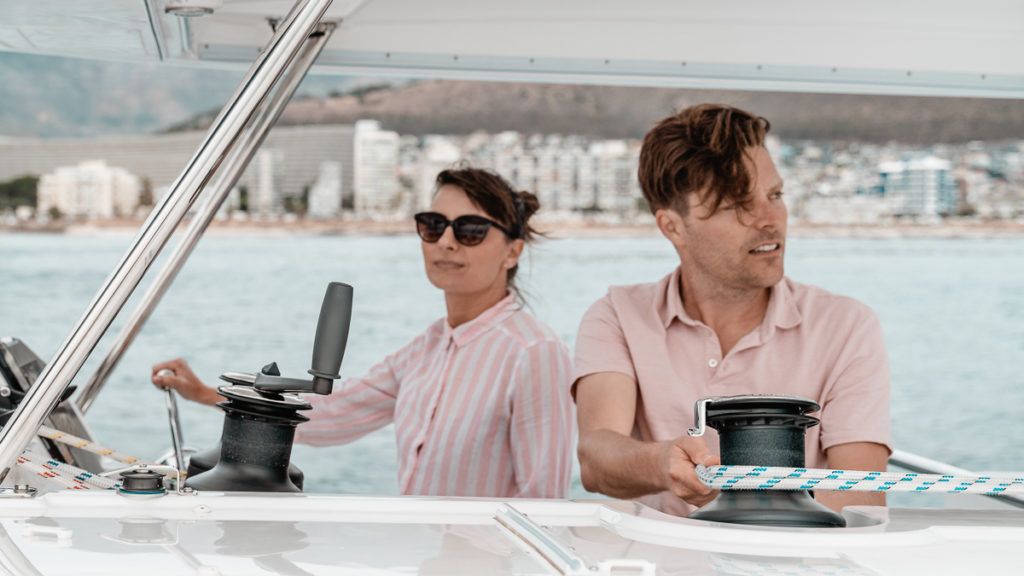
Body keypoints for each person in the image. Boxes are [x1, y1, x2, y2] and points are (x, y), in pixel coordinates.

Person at [152, 166, 575, 499]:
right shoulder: (428, 346)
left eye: (470, 230)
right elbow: (335, 416)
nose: (446, 242)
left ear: (513, 251)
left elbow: (544, 499)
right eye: (432, 225)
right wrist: (207, 393)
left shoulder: (535, 352)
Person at [573, 104, 891, 516]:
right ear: (673, 226)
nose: (770, 220)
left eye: (775, 195)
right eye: (737, 205)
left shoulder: (847, 326)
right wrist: (662, 463)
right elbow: (597, 457)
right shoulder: (616, 316)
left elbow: (859, 495)